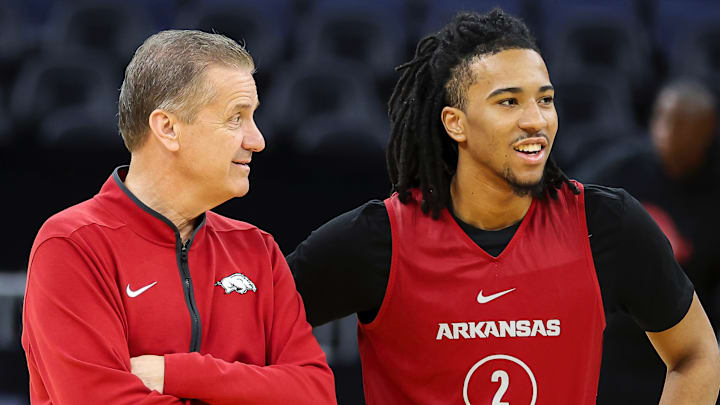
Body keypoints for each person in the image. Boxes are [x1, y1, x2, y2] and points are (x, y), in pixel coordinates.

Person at [287, 9, 720, 404]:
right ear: (455, 122)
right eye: (508, 102)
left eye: (545, 99)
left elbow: (696, 353)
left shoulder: (606, 224)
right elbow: (245, 337)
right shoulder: (379, 239)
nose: (535, 120)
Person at [22, 30, 336, 404]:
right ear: (168, 128)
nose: (257, 140)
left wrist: (179, 373)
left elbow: (316, 394)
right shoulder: (72, 245)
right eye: (236, 118)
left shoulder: (258, 250)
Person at [574, 79, 720, 404]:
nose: (668, 131)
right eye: (663, 118)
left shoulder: (713, 193)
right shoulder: (616, 170)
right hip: (613, 335)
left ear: (708, 131)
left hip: (679, 335)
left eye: (682, 124)